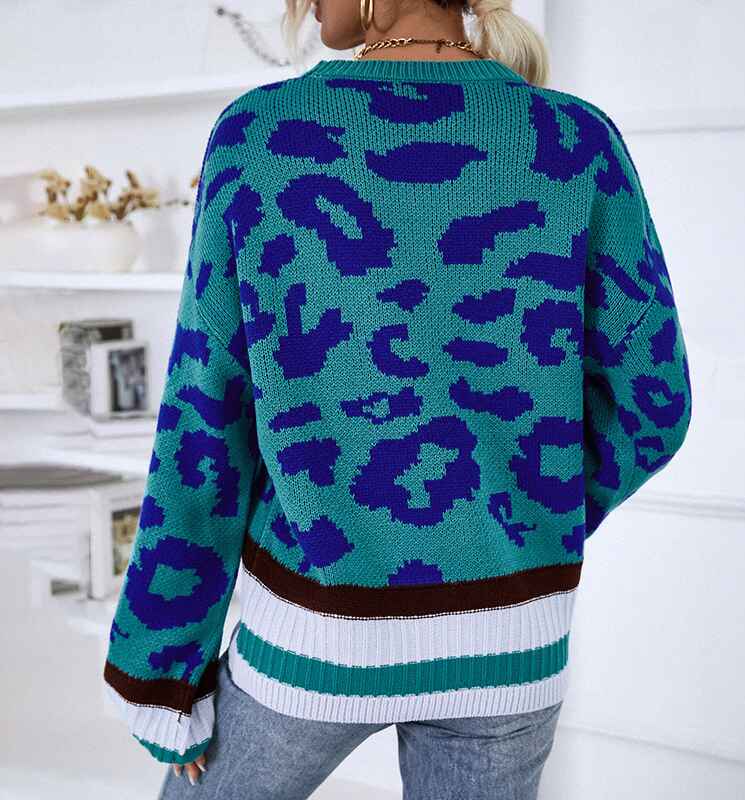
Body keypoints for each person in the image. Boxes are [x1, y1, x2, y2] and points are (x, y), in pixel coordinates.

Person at [102, 1, 693, 798]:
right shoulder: (579, 140)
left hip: (319, 628)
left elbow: (205, 417)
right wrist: (516, 525)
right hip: (510, 645)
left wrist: (163, 669)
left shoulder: (259, 135)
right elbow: (654, 403)